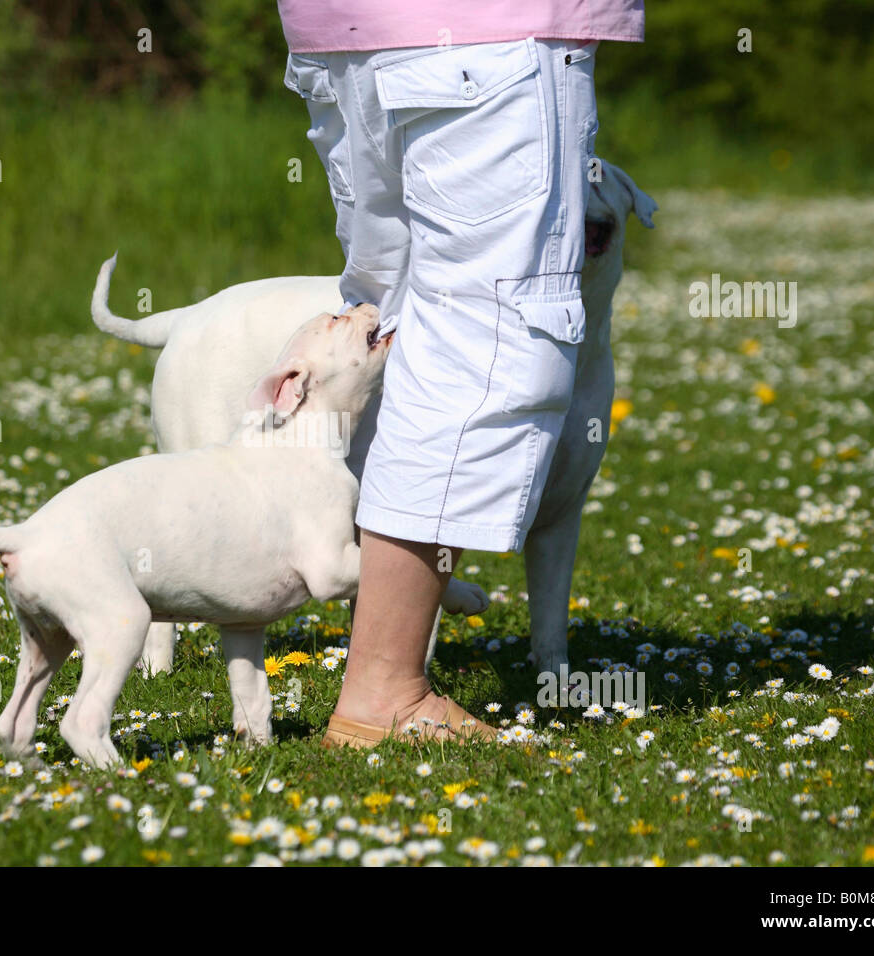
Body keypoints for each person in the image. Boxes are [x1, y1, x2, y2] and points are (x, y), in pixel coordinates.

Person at [274, 1, 645, 745]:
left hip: (344, 36)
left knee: (395, 319)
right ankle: (386, 687)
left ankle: (366, 644)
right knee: (485, 352)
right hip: (487, 36)